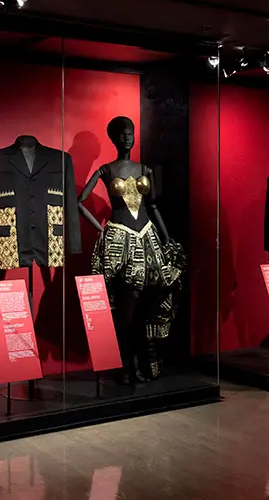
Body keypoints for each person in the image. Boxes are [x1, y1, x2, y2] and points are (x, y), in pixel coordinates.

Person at [78, 116, 185, 383]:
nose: (127, 137)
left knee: (148, 301)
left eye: (131, 132)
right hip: (120, 237)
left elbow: (153, 206)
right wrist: (102, 229)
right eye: (122, 133)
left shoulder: (145, 169)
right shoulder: (106, 170)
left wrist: (167, 238)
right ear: (114, 138)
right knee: (127, 304)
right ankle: (125, 365)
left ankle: (141, 361)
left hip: (147, 236)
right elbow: (80, 201)